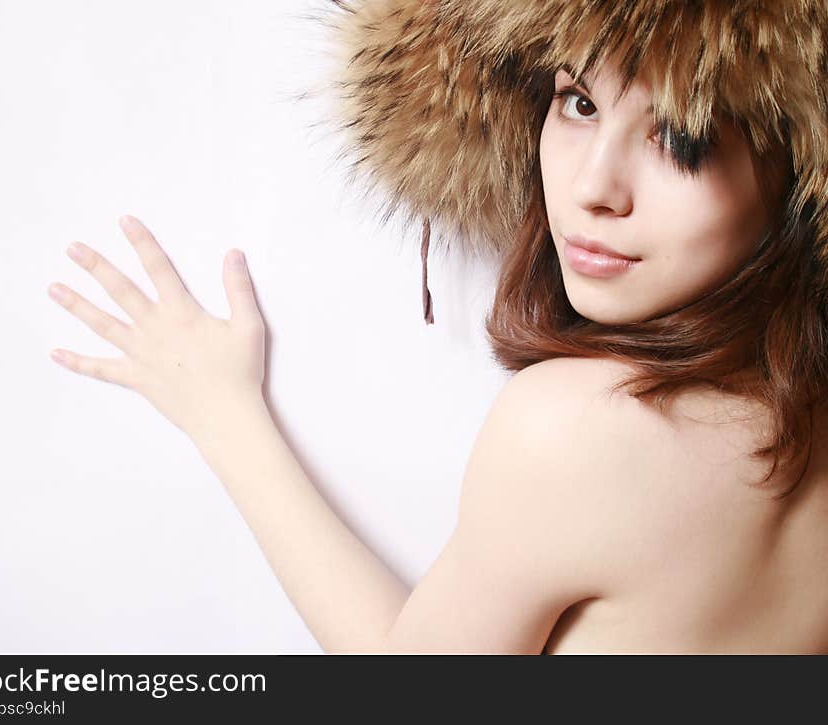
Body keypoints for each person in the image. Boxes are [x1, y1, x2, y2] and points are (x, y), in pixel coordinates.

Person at [47, 1, 828, 653]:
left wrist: (226, 418)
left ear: (798, 169)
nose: (594, 187)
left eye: (681, 139)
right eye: (578, 103)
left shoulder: (579, 428)